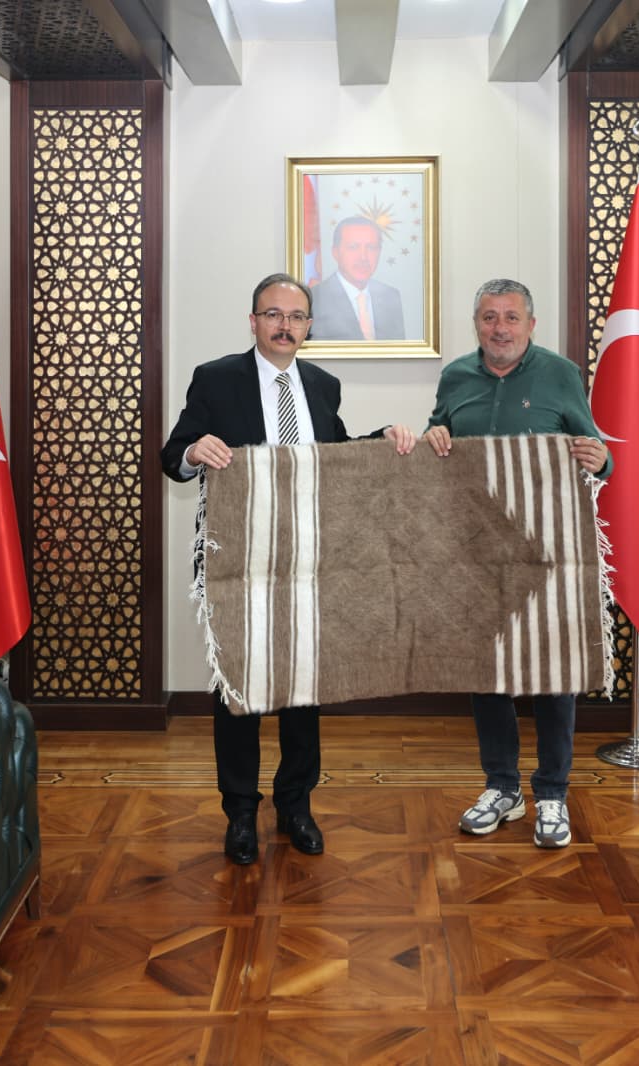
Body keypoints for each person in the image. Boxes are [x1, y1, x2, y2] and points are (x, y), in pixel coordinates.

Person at [161, 272, 415, 865]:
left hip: (307, 559)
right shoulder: (215, 378)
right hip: (237, 557)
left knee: (303, 689)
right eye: (272, 315)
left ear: (308, 326)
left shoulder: (324, 385)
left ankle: (296, 805)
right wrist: (195, 451)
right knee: (239, 690)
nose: (284, 326)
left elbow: (334, 456)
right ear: (253, 322)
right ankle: (240, 813)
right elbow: (173, 457)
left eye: (296, 316)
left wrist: (383, 438)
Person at [422, 278, 610, 848]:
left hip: (547, 550)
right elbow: (439, 436)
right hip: (476, 551)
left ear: (531, 324)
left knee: (553, 672)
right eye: (488, 317)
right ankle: (501, 787)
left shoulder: (562, 374)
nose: (499, 328)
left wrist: (601, 459)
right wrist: (434, 435)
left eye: (510, 317)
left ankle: (552, 792)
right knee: (488, 672)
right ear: (476, 324)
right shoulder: (455, 376)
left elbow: (596, 453)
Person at [309, 217, 407, 341]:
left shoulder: (391, 296)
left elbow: (398, 349)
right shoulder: (314, 299)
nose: (363, 257)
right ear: (335, 252)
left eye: (371, 247)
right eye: (353, 247)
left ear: (379, 252)